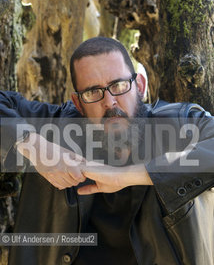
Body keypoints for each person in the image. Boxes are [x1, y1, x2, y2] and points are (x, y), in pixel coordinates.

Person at [0, 36, 214, 265]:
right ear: (78, 103)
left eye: (118, 85)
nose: (109, 102)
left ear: (140, 86)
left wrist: (130, 176)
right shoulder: (58, 128)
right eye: (93, 92)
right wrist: (32, 144)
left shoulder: (179, 124)